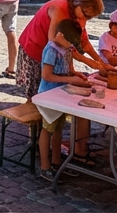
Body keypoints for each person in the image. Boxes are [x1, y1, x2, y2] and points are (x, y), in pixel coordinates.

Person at [17, 0, 113, 100]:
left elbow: (84, 43)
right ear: (78, 5)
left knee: (52, 94)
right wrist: (86, 61)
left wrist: (101, 63)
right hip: (34, 48)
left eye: (89, 17)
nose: (85, 19)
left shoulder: (79, 15)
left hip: (54, 54)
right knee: (36, 95)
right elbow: (56, 43)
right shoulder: (59, 10)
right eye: (85, 15)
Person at [36, 19, 96, 179]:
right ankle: (45, 166)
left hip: (62, 95)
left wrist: (75, 75)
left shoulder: (67, 47)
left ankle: (57, 162)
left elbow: (70, 68)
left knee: (58, 130)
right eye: (68, 40)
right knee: (47, 129)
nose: (70, 44)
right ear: (60, 35)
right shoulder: (51, 49)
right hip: (48, 96)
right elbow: (46, 75)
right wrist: (70, 80)